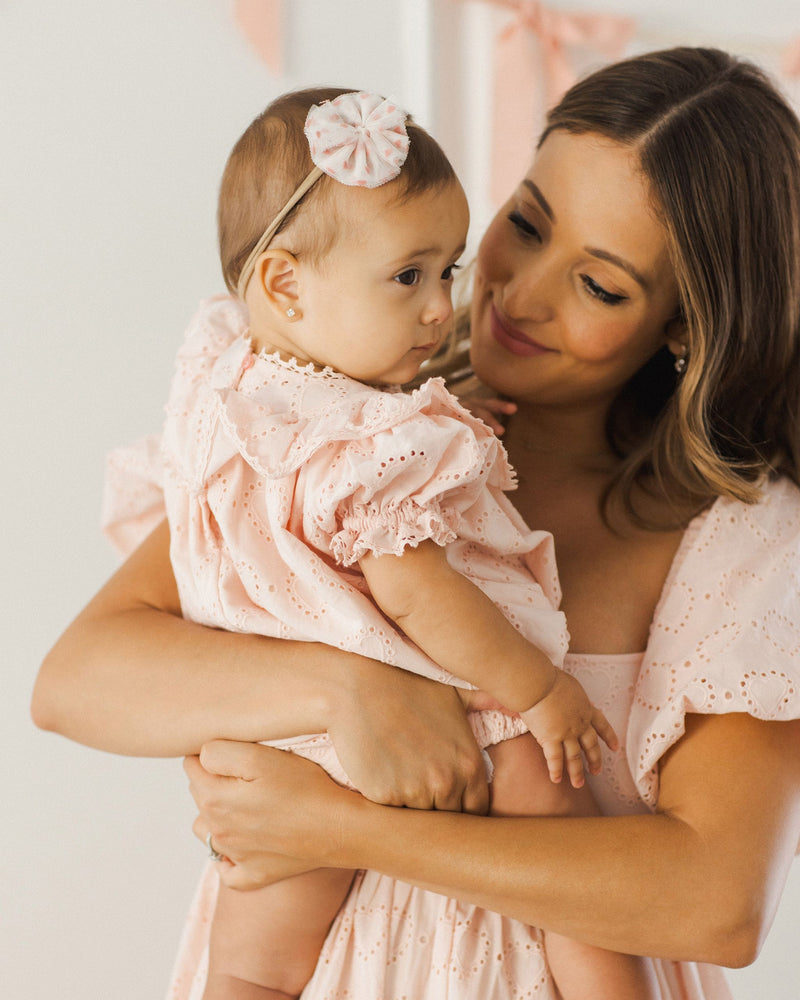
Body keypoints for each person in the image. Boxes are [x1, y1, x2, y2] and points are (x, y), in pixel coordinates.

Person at [32, 46, 800, 1000]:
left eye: (600, 285)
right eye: (526, 223)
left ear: (686, 325)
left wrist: (339, 829)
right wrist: (350, 690)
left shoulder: (733, 536)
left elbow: (716, 904)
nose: (518, 294)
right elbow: (76, 683)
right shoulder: (349, 431)